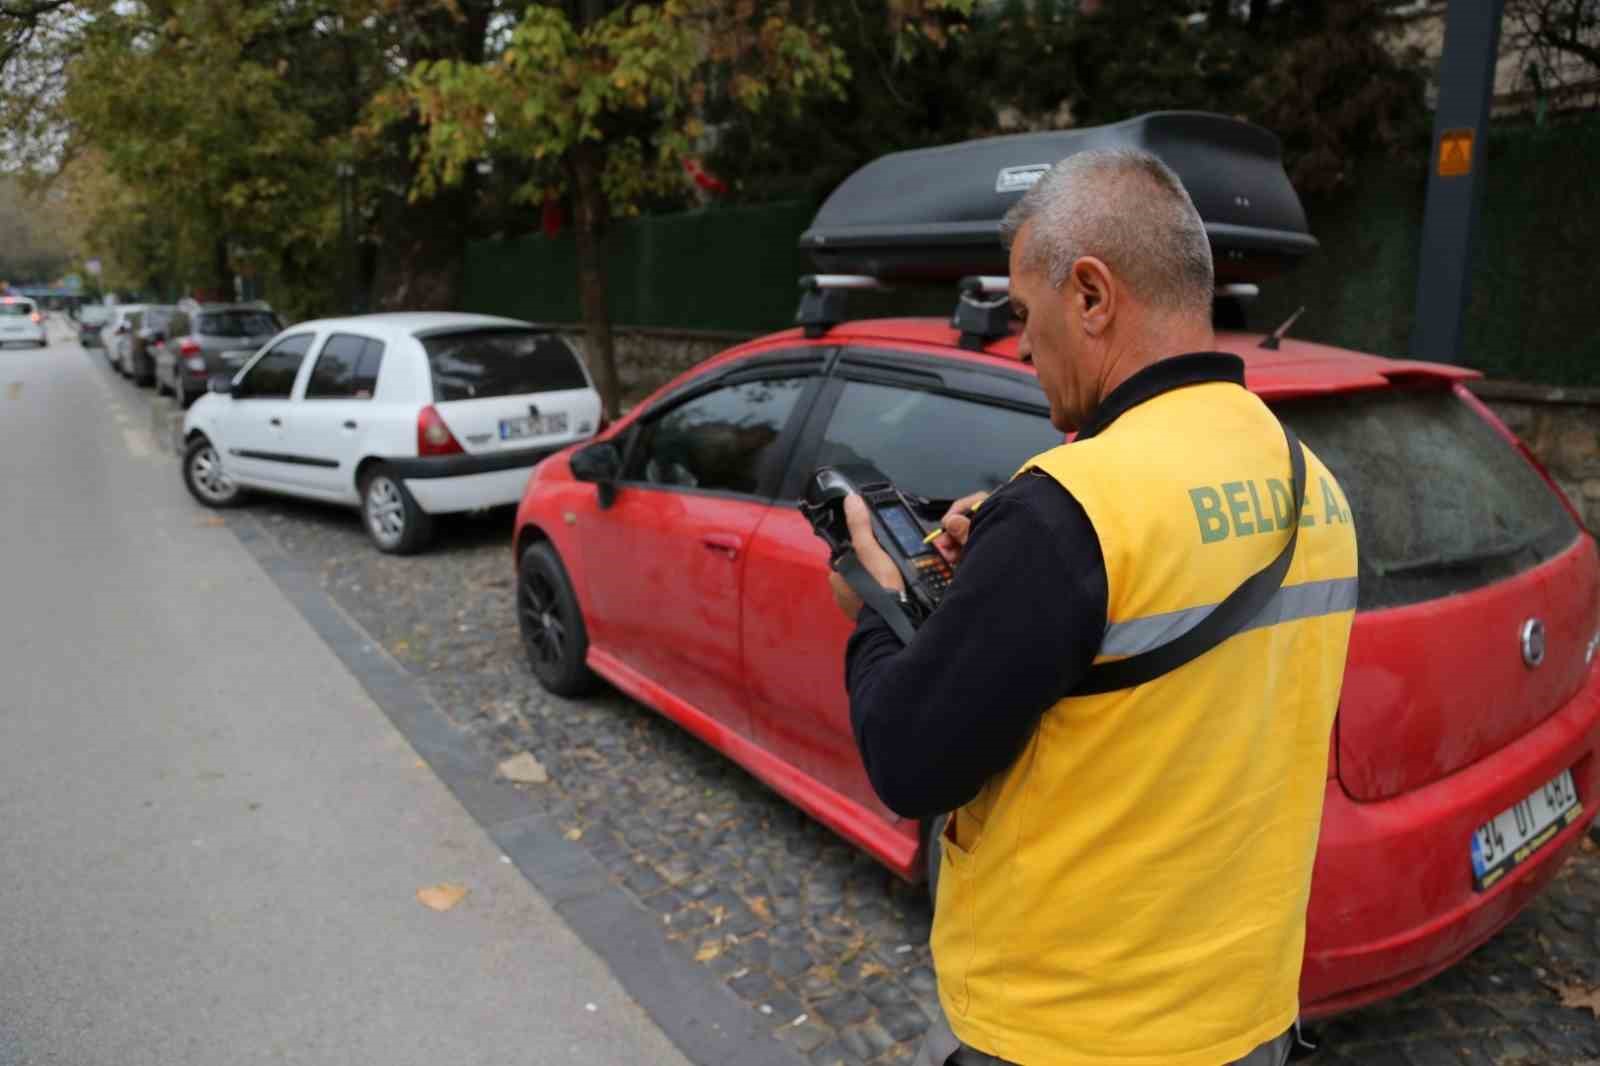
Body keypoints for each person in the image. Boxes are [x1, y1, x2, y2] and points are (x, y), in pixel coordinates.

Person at [828, 148, 1359, 1066]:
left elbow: (908, 761)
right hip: (1248, 1017)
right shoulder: (1317, 487)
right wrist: (1000, 567)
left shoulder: (1070, 511)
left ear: (1092, 295)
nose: (1023, 347)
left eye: (1027, 316)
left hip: (1073, 1029)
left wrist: (876, 598)